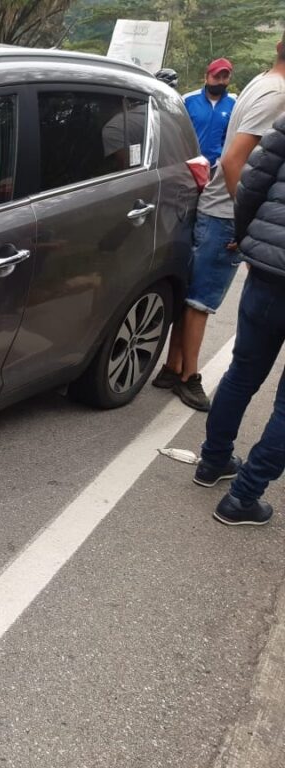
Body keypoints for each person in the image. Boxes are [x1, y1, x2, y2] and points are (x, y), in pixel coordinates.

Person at [153, 37, 285, 411]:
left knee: (194, 292)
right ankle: (189, 377)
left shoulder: (262, 82)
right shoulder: (277, 94)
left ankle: (172, 367)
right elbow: (233, 161)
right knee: (202, 300)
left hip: (219, 205)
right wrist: (245, 225)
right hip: (227, 210)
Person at [195, 111, 285, 525]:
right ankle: (243, 496)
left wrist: (248, 239)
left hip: (268, 270)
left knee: (243, 372)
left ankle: (213, 462)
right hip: (268, 263)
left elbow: (252, 183)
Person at [184, 58, 236, 169]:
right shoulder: (188, 100)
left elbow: (232, 135)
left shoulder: (233, 104)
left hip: (216, 167)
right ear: (206, 77)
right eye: (216, 77)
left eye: (225, 77)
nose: (221, 82)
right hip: (189, 165)